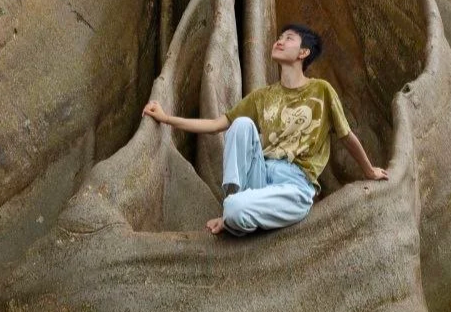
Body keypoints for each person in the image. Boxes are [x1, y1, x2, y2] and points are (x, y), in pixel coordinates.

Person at [142, 24, 389, 236]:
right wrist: (165, 118)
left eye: (288, 38)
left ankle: (234, 213)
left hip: (295, 186)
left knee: (237, 211)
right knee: (241, 125)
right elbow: (216, 125)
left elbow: (347, 137)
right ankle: (233, 204)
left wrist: (368, 171)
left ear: (304, 52)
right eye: (279, 38)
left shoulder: (321, 91)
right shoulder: (263, 96)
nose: (279, 41)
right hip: (260, 176)